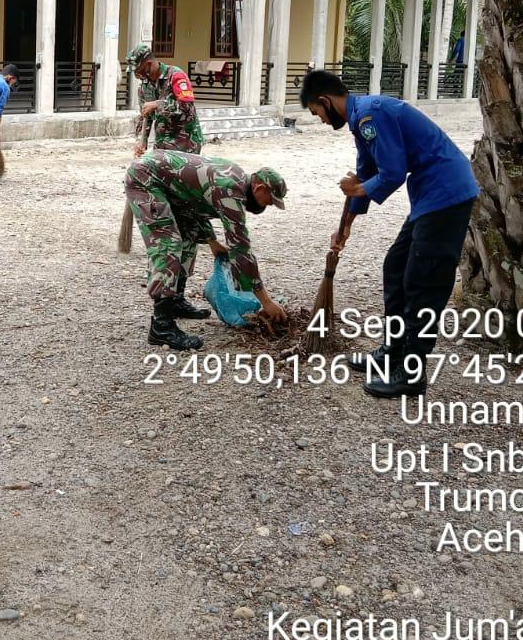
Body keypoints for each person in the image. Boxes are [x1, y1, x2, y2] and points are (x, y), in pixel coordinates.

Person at [300, 68, 479, 399]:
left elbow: (392, 173)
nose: (321, 121)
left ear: (325, 101)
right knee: (395, 267)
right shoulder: (361, 120)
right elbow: (367, 172)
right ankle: (392, 353)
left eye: (317, 113)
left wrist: (358, 189)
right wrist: (346, 226)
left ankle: (412, 374)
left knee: (423, 281)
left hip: (447, 194)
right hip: (430, 196)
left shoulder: (371, 114)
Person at [125, 150, 288, 351]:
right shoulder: (230, 189)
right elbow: (241, 248)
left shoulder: (237, 179)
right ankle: (161, 327)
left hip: (166, 184)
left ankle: (174, 301)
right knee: (168, 244)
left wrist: (212, 242)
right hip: (145, 179)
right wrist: (265, 301)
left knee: (189, 234)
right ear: (259, 187)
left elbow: (196, 203)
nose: (268, 205)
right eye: (269, 200)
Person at [126, 44, 204, 157]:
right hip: (162, 143)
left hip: (185, 142)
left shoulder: (176, 75)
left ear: (149, 64)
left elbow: (187, 107)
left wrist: (158, 104)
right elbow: (145, 116)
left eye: (140, 71)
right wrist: (142, 141)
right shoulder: (144, 86)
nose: (138, 76)